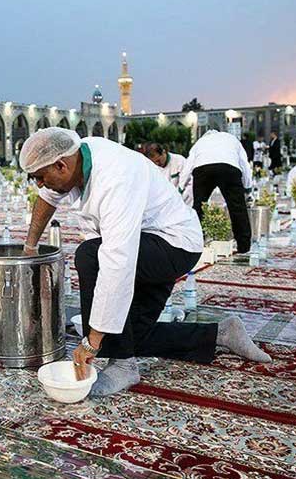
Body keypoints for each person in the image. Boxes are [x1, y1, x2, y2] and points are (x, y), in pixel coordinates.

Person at [19, 128, 270, 395]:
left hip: (173, 244)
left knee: (89, 256)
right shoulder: (75, 155)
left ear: (61, 165)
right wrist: (29, 247)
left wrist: (91, 342)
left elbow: (117, 262)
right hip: (147, 242)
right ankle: (221, 333)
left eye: (40, 178)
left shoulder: (116, 177)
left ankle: (124, 367)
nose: (40, 185)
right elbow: (47, 199)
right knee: (127, 336)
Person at [178, 130, 254, 253]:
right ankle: (244, 246)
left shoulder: (200, 142)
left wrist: (180, 188)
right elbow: (244, 164)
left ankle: (195, 243)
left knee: (199, 207)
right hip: (229, 168)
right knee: (237, 208)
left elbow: (188, 166)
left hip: (202, 169)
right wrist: (248, 187)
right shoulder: (231, 138)